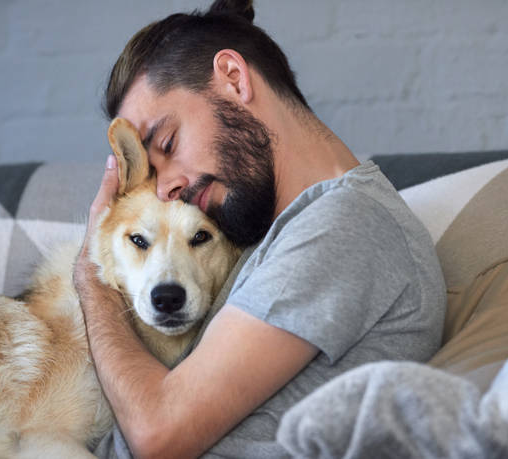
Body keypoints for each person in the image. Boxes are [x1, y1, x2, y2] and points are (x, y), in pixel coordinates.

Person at [73, 1, 446, 457]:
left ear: (233, 77)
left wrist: (90, 275)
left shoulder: (343, 224)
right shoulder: (270, 230)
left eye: (168, 143)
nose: (167, 187)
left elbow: (158, 435)